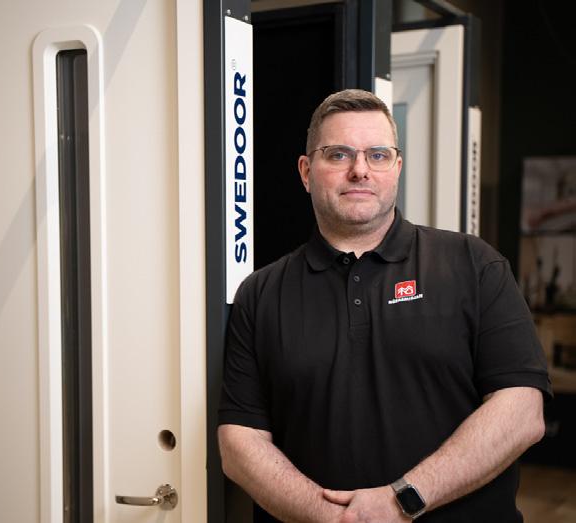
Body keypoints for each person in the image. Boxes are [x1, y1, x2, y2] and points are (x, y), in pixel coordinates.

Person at [218, 89, 552, 522]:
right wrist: (337, 518)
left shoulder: (474, 265)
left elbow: (522, 411)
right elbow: (239, 442)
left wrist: (402, 500)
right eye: (338, 154)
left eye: (377, 155)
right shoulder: (261, 294)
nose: (360, 170)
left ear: (397, 168)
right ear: (306, 171)